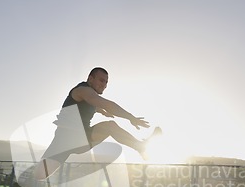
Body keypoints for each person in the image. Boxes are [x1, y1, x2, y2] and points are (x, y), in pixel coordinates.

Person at [33, 67, 161, 180]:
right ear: (90, 78)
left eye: (106, 82)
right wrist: (131, 117)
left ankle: (140, 146)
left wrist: (102, 112)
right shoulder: (82, 90)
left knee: (110, 126)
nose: (104, 85)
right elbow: (103, 103)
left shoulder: (89, 95)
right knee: (39, 175)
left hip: (82, 138)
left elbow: (95, 106)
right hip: (63, 141)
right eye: (101, 80)